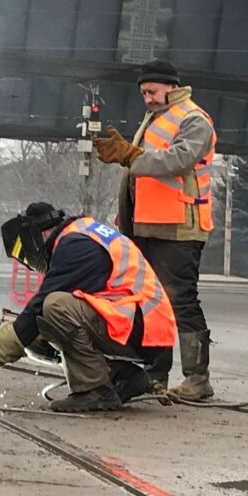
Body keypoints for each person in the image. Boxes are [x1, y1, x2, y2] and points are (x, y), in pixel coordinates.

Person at [0, 202, 177, 413]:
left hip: (145, 329)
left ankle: (95, 390)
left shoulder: (75, 246)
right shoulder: (81, 233)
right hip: (142, 326)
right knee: (40, 331)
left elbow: (40, 306)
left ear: (40, 236)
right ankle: (121, 376)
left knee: (55, 307)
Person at [93, 59, 217, 401]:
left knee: (181, 300)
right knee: (151, 304)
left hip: (179, 228)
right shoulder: (156, 118)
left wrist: (131, 156)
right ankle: (153, 375)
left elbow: (178, 160)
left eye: (151, 91)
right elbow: (139, 178)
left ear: (171, 87)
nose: (146, 98)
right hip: (149, 227)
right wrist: (127, 221)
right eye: (143, 93)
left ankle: (197, 379)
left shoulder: (194, 119)